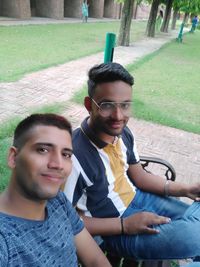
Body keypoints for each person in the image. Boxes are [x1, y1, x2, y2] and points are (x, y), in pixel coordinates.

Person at [64, 62, 200, 262]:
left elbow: (140, 176)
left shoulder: (123, 133)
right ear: (88, 105)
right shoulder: (73, 157)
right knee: (192, 238)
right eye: (107, 105)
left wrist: (185, 189)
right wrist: (124, 225)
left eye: (125, 105)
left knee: (194, 235)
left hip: (140, 198)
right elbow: (67, 221)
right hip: (113, 228)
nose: (118, 116)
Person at [0, 113, 111, 267]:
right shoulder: (4, 240)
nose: (58, 164)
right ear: (13, 157)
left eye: (66, 154)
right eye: (43, 150)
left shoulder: (58, 201)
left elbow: (95, 260)